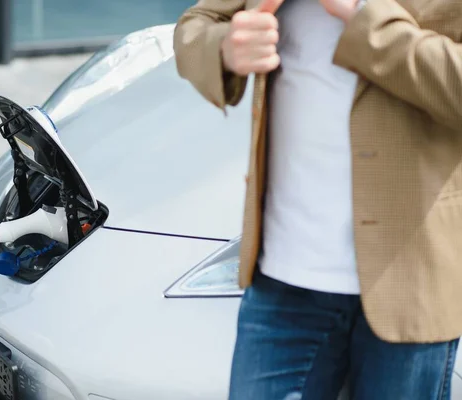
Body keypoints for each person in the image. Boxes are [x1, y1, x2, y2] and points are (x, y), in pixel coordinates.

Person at [174, 0, 462, 398]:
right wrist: (225, 47)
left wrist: (365, 18)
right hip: (284, 282)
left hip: (412, 282)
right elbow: (196, 25)